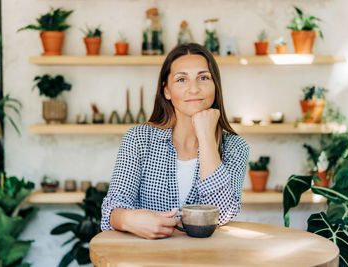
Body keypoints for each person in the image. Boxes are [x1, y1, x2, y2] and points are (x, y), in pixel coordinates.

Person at [101, 43, 249, 239]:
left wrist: (206, 137)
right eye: (181, 80)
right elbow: (112, 209)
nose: (194, 89)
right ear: (167, 91)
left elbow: (220, 214)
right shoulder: (139, 138)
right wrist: (130, 219)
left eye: (203, 78)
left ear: (216, 86)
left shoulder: (235, 147)